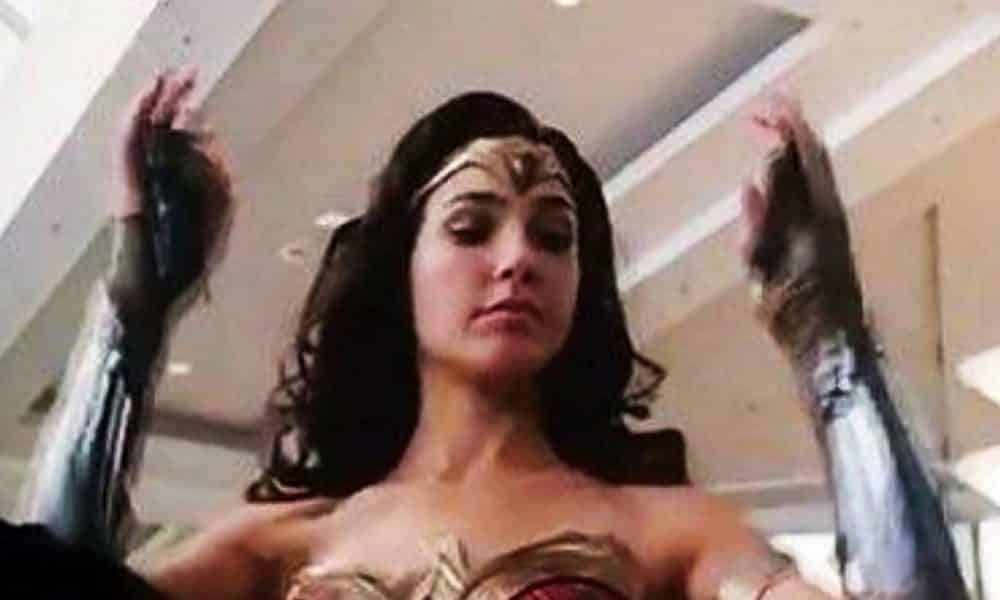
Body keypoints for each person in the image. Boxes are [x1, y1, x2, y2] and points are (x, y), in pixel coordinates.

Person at [12, 68, 968, 599]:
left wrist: (828, 339)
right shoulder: (283, 544)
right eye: (472, 228)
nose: (517, 260)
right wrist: (132, 316)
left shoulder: (668, 532)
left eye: (553, 238)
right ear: (400, 273)